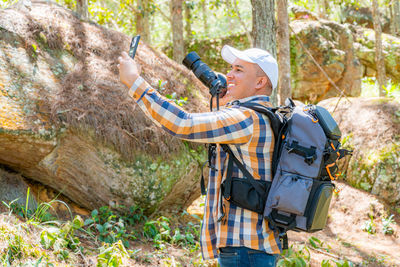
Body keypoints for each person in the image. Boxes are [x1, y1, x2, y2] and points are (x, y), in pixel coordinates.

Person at [118, 45, 281, 266]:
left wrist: (134, 82)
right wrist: (224, 104)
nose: (229, 75)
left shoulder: (245, 118)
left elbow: (184, 124)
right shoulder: (263, 116)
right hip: (251, 246)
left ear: (260, 82)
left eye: (239, 70)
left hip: (245, 248)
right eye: (231, 68)